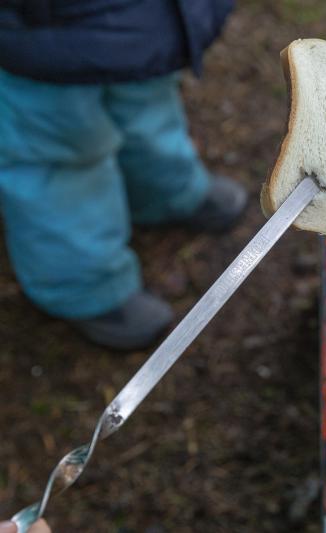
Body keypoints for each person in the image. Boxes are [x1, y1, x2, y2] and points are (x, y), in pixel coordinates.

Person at [0, 0, 242, 350]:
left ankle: (165, 192)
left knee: (147, 106)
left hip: (144, 19)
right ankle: (84, 283)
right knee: (56, 155)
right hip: (37, 33)